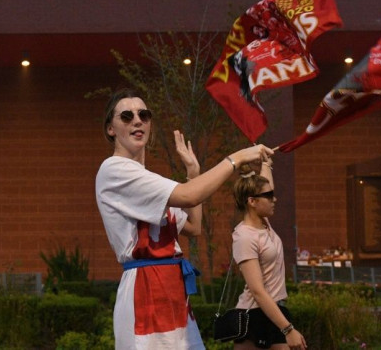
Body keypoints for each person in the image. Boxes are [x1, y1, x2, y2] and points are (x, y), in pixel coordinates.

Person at [96, 88, 274, 349]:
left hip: (172, 289)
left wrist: (193, 172)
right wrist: (235, 159)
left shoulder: (146, 178)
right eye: (126, 116)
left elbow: (193, 226)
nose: (137, 120)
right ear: (110, 128)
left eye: (143, 115)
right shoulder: (114, 170)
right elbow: (189, 196)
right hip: (145, 290)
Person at [231, 160, 307, 350]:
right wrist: (288, 329)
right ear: (252, 201)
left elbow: (266, 184)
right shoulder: (245, 237)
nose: (275, 199)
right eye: (269, 196)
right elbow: (257, 291)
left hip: (273, 309)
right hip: (254, 314)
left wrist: (266, 162)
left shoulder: (264, 223)